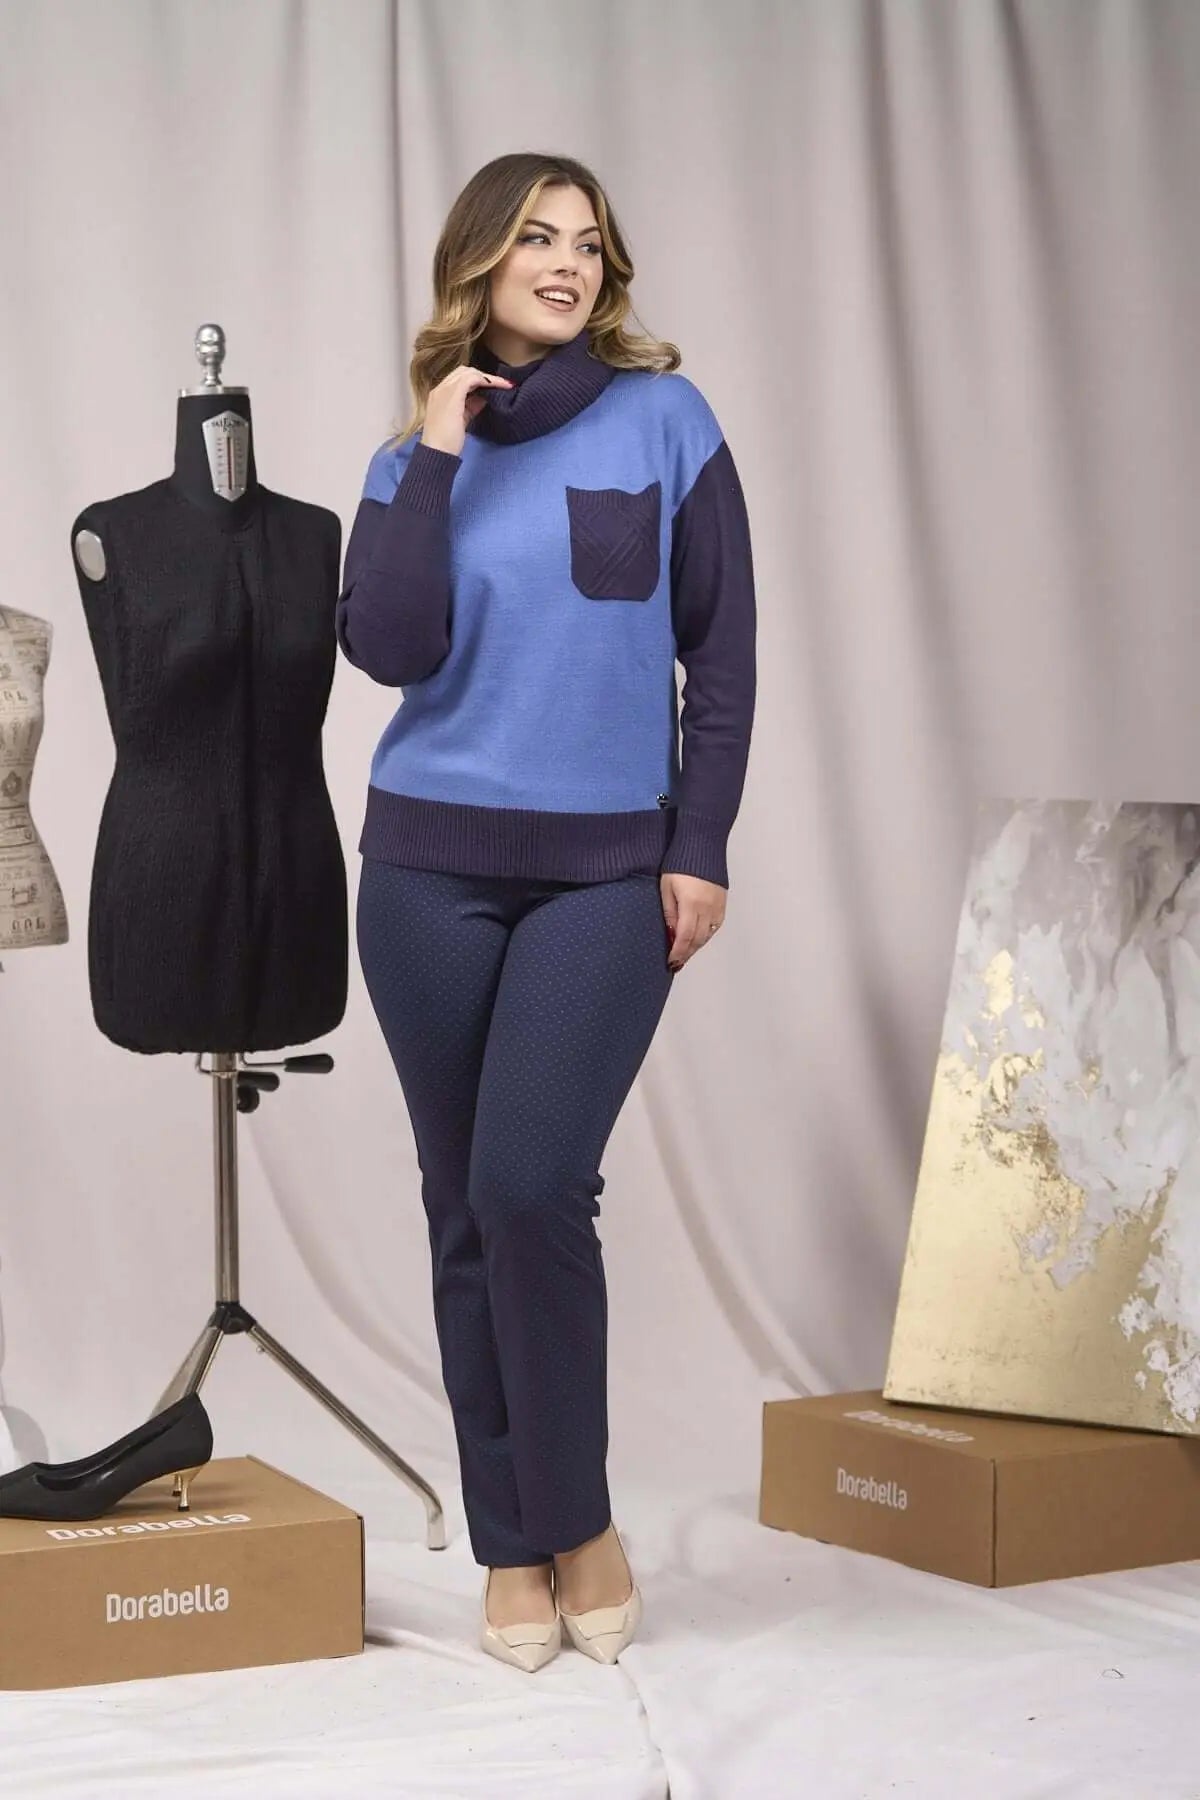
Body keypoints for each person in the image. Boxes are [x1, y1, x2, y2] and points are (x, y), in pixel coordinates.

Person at [337, 151, 757, 1671]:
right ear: (480, 260)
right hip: (423, 872)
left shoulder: (667, 418)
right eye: (536, 237)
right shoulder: (408, 461)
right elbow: (388, 649)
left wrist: (698, 845)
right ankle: (510, 1542)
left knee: (529, 1187)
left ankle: (578, 1521)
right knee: (462, 1208)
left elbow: (723, 653)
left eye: (588, 241)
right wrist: (440, 450)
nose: (568, 262)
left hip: (605, 873)